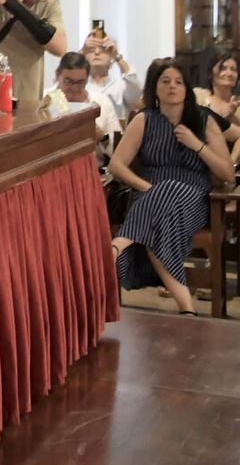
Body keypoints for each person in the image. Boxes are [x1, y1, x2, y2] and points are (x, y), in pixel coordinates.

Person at [109, 58, 235, 315]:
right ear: (154, 88)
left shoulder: (203, 120)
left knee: (168, 190)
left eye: (178, 82)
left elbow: (227, 174)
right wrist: (146, 187)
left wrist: (196, 145)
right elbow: (117, 166)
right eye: (165, 81)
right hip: (149, 196)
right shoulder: (144, 120)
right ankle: (187, 308)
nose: (172, 87)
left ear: (187, 88)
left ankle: (118, 246)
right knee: (161, 209)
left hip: (193, 200)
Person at [45, 51, 120, 166]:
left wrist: (102, 137)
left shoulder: (101, 102)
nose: (75, 88)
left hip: (93, 170)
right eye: (68, 82)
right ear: (57, 76)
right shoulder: (45, 101)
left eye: (80, 82)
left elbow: (119, 151)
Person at [83, 30, 142, 124]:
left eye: (103, 49)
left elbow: (136, 90)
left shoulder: (121, 88)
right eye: (91, 50)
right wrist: (82, 51)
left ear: (111, 59)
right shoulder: (78, 88)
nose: (97, 53)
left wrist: (116, 56)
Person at [192, 48, 240, 158]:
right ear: (211, 73)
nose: (229, 73)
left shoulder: (238, 104)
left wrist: (232, 117)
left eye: (233, 69)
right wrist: (224, 117)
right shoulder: (198, 95)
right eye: (223, 68)